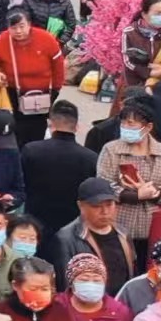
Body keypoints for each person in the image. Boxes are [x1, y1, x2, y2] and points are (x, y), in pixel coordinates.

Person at [96, 100, 161, 260]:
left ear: (148, 127)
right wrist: (136, 195)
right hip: (119, 227)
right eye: (123, 123)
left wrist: (154, 193)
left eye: (131, 124)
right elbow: (103, 185)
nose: (125, 127)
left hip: (156, 230)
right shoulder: (111, 150)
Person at [0, 11, 65, 147]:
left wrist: (55, 90)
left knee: (38, 130)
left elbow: (58, 66)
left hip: (42, 94)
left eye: (22, 26)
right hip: (14, 92)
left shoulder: (46, 39)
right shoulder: (2, 40)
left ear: (29, 24)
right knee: (17, 130)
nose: (18, 31)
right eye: (13, 28)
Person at [23, 102, 97, 241]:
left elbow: (22, 185)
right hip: (72, 229)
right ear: (76, 127)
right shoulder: (90, 158)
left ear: (50, 124)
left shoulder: (31, 150)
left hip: (35, 226)